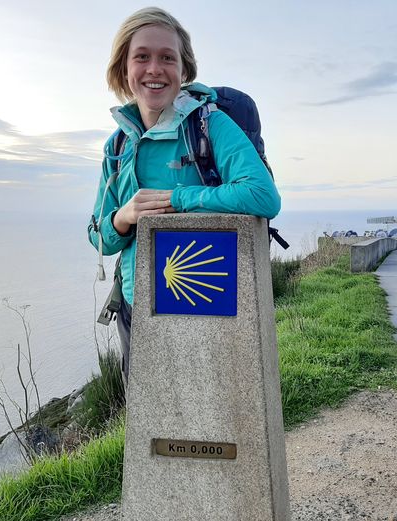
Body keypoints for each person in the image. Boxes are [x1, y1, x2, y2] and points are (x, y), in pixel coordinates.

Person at [88, 7, 280, 385]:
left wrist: (178, 199)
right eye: (141, 56)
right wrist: (123, 217)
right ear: (124, 69)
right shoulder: (118, 144)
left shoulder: (210, 124)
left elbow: (262, 195)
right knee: (152, 425)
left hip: (207, 302)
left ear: (183, 69)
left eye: (167, 58)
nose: (154, 68)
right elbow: (98, 236)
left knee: (215, 415)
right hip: (135, 302)